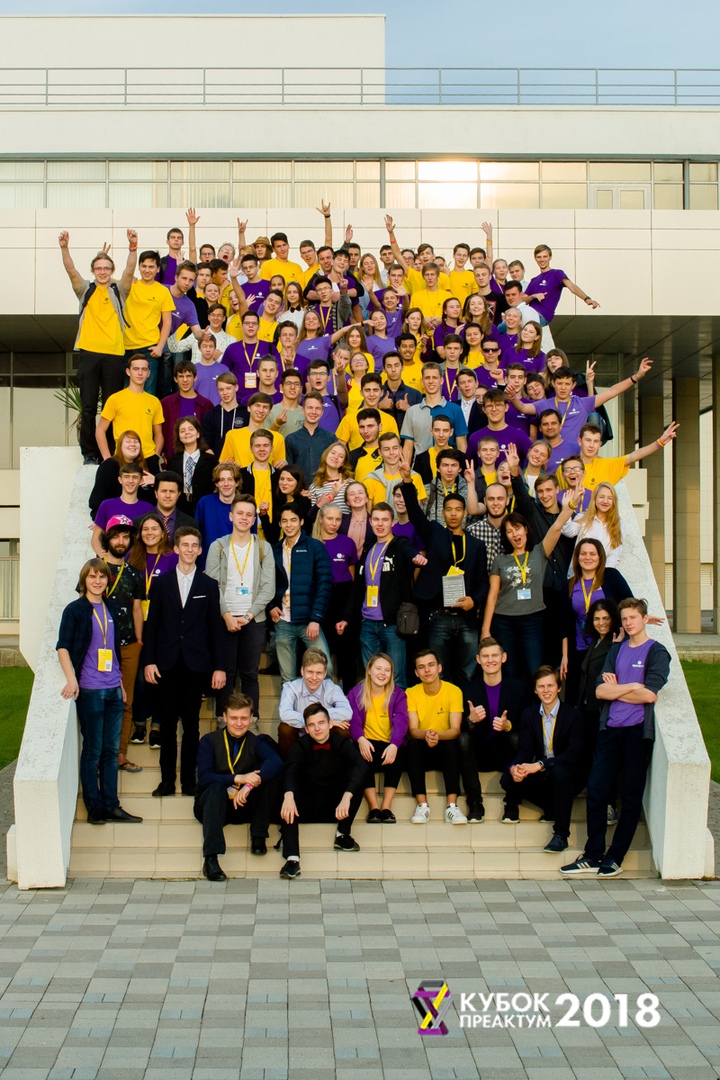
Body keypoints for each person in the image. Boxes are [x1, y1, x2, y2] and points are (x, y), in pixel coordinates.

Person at [561, 598, 671, 878]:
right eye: (624, 619)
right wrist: (631, 685)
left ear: (644, 619)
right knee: (596, 792)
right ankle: (593, 855)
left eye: (633, 617)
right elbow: (600, 691)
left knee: (630, 797)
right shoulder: (616, 649)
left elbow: (649, 695)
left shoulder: (657, 652)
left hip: (637, 732)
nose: (628, 623)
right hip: (609, 729)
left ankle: (615, 858)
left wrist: (618, 689)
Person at [56, 558, 142, 825]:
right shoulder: (75, 610)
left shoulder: (110, 607)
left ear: (107, 581)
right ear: (84, 580)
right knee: (93, 750)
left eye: (102, 577)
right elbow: (63, 647)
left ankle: (111, 805)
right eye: (92, 576)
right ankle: (94, 807)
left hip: (113, 688)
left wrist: (120, 684)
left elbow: (113, 649)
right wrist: (72, 679)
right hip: (90, 689)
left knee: (111, 751)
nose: (97, 581)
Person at [143, 526, 226, 798]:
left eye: (194, 545)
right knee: (167, 725)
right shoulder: (161, 583)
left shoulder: (208, 585)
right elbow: (152, 625)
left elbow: (215, 628)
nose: (189, 549)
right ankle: (167, 781)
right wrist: (149, 661)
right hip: (166, 663)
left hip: (195, 665)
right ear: (176, 548)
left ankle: (190, 781)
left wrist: (219, 666)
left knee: (191, 725)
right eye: (185, 545)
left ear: (200, 550)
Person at [399, 469, 488, 685]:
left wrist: (474, 601)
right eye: (449, 509)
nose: (453, 514)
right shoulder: (435, 533)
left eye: (458, 509)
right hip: (438, 615)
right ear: (443, 512)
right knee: (439, 672)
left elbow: (483, 582)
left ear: (465, 513)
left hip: (466, 617)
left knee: (468, 673)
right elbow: (414, 513)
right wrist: (408, 481)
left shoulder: (476, 545)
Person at [59, 228, 138, 464]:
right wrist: (64, 248)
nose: (102, 272)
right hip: (89, 353)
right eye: (98, 268)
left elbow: (130, 270)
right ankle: (89, 453)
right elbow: (71, 270)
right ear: (93, 271)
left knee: (111, 407)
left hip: (114, 354)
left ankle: (112, 452)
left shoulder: (118, 290)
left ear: (111, 271)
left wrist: (133, 247)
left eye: (106, 268)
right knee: (88, 406)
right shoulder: (86, 289)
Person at [481, 495, 575, 686]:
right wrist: (485, 629)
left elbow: (556, 527)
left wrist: (570, 506)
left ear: (525, 529)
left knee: (534, 669)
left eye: (517, 528)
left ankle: (534, 705)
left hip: (532, 621)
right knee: (510, 671)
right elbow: (492, 596)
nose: (514, 534)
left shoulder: (539, 553)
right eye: (509, 531)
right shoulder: (500, 560)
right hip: (504, 621)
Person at [194, 692, 284, 880]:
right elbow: (204, 778)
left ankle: (258, 836)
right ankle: (211, 859)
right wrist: (238, 778)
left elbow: (276, 762)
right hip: (214, 805)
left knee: (267, 776)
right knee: (215, 788)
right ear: (225, 717)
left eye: (244, 718)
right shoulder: (209, 741)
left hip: (243, 804)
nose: (239, 723)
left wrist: (249, 785)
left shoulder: (256, 741)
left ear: (251, 718)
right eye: (234, 718)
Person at [500, 666, 585, 854]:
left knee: (559, 772)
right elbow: (525, 750)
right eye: (541, 686)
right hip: (545, 774)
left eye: (550, 686)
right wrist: (515, 767)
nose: (546, 691)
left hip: (568, 774)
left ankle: (561, 835)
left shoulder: (573, 716)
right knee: (507, 779)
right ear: (535, 690)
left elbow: (572, 756)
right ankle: (552, 807)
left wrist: (539, 765)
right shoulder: (529, 715)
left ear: (559, 688)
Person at [205, 494, 275, 721]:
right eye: (240, 513)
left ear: (255, 519)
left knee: (250, 674)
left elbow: (268, 587)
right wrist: (226, 614)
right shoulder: (217, 547)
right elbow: (212, 586)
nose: (244, 518)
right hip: (224, 618)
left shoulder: (263, 548)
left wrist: (249, 614)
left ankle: (251, 721)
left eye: (249, 515)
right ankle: (222, 721)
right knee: (224, 673)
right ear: (231, 516)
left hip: (253, 619)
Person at [279, 703, 367, 879]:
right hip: (308, 805)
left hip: (336, 807)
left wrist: (347, 797)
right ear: (306, 728)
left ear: (330, 724)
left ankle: (342, 834)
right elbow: (291, 771)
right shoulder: (300, 745)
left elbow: (361, 766)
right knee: (288, 792)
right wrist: (288, 796)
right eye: (312, 725)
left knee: (357, 776)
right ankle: (292, 859)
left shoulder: (341, 742)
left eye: (321, 723)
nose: (317, 728)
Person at [336, 502, 419, 687]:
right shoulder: (368, 548)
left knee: (396, 678)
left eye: (385, 520)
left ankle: (397, 707)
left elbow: (409, 551)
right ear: (370, 522)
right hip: (367, 624)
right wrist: (346, 618)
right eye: (376, 519)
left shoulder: (400, 544)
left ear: (392, 522)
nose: (380, 524)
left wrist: (415, 556)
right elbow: (358, 588)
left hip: (392, 624)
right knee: (372, 680)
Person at [97, 515, 145, 774]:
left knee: (126, 701)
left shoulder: (135, 574)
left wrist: (138, 640)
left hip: (128, 646)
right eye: (116, 536)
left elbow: (137, 609)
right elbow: (84, 606)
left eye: (125, 537)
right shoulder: (95, 570)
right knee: (101, 702)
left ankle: (120, 754)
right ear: (107, 538)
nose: (121, 541)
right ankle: (99, 756)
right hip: (100, 648)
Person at [459, 638, 525, 822]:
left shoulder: (519, 688)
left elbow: (528, 725)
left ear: (504, 657)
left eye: (494, 655)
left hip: (506, 753)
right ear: (478, 660)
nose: (490, 660)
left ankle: (512, 803)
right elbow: (459, 727)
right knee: (463, 739)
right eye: (485, 656)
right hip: (479, 754)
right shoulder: (467, 689)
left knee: (516, 738)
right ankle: (474, 802)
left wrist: (508, 725)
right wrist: (470, 720)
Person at [126, 512, 178, 747]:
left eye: (154, 529)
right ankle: (139, 722)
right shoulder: (132, 557)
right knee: (139, 678)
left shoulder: (172, 558)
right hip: (136, 623)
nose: (150, 533)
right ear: (140, 533)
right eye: (145, 529)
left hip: (163, 625)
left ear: (163, 532)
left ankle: (157, 724)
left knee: (161, 675)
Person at [268, 503, 334, 682]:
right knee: (287, 677)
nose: (289, 525)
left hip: (308, 621)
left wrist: (316, 619)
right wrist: (271, 606)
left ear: (301, 522)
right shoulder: (274, 550)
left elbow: (324, 584)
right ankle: (290, 702)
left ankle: (324, 701)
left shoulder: (315, 547)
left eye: (293, 520)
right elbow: (266, 582)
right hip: (283, 621)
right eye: (284, 521)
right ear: (280, 524)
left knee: (326, 668)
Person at [406, 649, 466, 824]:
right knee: (412, 744)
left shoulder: (454, 691)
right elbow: (413, 729)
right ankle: (422, 805)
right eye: (421, 667)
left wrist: (438, 735)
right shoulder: (411, 693)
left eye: (431, 665)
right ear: (416, 673)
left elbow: (455, 729)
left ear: (439, 667)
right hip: (422, 746)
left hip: (445, 746)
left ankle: (451, 806)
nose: (427, 670)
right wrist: (427, 734)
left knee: (451, 743)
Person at [348, 653, 408, 823]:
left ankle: (386, 807)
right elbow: (353, 722)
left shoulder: (398, 694)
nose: (382, 673)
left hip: (389, 745)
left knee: (400, 749)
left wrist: (394, 744)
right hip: (367, 743)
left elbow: (401, 722)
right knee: (358, 752)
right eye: (378, 668)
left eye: (387, 670)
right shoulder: (356, 693)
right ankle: (373, 807)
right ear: (369, 670)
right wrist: (360, 739)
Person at [314, 504, 359, 690]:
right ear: (321, 519)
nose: (334, 523)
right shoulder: (313, 543)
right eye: (330, 519)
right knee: (322, 650)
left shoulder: (348, 543)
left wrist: (348, 611)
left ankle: (348, 691)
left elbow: (352, 577)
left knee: (347, 650)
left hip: (343, 597)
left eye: (338, 519)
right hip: (321, 599)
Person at [278, 646, 352, 759]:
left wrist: (323, 722)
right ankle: (290, 764)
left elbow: (347, 712)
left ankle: (336, 764)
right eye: (310, 672)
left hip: (324, 737)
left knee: (343, 729)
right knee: (285, 729)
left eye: (319, 673)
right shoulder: (290, 687)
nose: (314, 677)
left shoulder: (332, 688)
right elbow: (284, 714)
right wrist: (313, 722)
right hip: (300, 737)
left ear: (325, 673)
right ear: (302, 671)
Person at [96, 354, 164, 472]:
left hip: (148, 458)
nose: (140, 373)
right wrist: (107, 459)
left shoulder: (154, 401)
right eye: (136, 369)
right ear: (128, 372)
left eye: (144, 369)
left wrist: (156, 455)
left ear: (148, 373)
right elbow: (100, 430)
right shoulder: (115, 399)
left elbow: (159, 434)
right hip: (123, 458)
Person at [122, 250, 175, 397]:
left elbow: (167, 322)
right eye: (144, 266)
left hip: (149, 348)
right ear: (139, 267)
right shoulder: (130, 285)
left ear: (157, 269)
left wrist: (160, 347)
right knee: (127, 394)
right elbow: (108, 279)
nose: (147, 270)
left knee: (148, 393)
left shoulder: (163, 291)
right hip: (126, 347)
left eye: (151, 267)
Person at [400, 362, 468, 463]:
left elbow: (461, 445)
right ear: (422, 381)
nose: (431, 381)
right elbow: (408, 447)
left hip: (448, 467)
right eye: (427, 378)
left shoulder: (455, 409)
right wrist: (406, 469)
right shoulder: (412, 412)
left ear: (441, 380)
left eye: (435, 378)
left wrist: (461, 467)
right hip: (421, 467)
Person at [521, 243, 600, 327]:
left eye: (545, 256)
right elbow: (522, 301)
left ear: (550, 257)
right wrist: (533, 296)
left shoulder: (557, 274)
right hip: (529, 312)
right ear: (535, 259)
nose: (542, 259)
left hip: (542, 315)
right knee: (513, 317)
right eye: (539, 257)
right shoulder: (534, 280)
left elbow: (572, 287)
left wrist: (587, 299)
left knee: (518, 318)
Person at [88, 429, 155, 518]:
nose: (133, 444)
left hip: (141, 520)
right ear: (120, 446)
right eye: (128, 441)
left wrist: (156, 482)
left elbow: (153, 502)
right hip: (115, 520)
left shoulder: (144, 469)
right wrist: (103, 519)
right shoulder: (109, 466)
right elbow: (98, 499)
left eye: (136, 442)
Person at [91, 462, 153, 553]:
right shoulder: (107, 505)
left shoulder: (148, 508)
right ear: (120, 480)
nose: (130, 481)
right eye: (126, 477)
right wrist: (104, 557)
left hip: (138, 558)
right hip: (112, 557)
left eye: (135, 477)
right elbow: (95, 538)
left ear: (141, 481)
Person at [159, 359, 213, 459]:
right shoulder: (166, 403)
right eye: (181, 376)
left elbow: (209, 435)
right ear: (175, 379)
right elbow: (161, 432)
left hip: (199, 459)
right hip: (172, 458)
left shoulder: (206, 405)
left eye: (188, 376)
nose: (185, 380)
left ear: (195, 378)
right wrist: (163, 453)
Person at [220, 392, 286, 468]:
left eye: (265, 407)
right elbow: (223, 466)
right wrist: (230, 467)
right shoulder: (232, 435)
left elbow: (278, 469)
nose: (261, 410)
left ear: (269, 412)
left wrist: (284, 465)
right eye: (257, 405)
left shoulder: (277, 438)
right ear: (249, 408)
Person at [166, 416, 216, 517]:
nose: (187, 433)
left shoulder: (211, 460)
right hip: (180, 508)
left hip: (204, 507)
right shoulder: (173, 461)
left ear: (198, 434)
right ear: (179, 436)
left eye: (191, 429)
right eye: (182, 431)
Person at [284, 392, 337, 482]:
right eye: (310, 408)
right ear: (303, 410)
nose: (313, 412)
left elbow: (335, 468)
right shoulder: (291, 439)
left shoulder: (330, 438)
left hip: (324, 488)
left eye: (317, 408)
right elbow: (289, 471)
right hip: (299, 488)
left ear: (322, 411)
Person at [364, 433, 426, 507]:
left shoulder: (414, 477)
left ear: (401, 449)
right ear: (380, 452)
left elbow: (417, 510)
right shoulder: (371, 480)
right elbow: (368, 513)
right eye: (386, 449)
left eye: (395, 448)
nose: (392, 453)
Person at [196, 463, 241, 558]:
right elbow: (197, 534)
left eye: (230, 479)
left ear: (237, 482)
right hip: (209, 561)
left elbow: (252, 537)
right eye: (221, 480)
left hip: (238, 561)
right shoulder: (205, 503)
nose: (226, 484)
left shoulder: (245, 505)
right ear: (216, 483)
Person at [153, 470, 199, 540]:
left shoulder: (191, 524)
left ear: (178, 494)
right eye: (164, 491)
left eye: (172, 491)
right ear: (156, 493)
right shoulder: (141, 521)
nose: (168, 495)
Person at [268, 368, 304, 437]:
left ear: (300, 389)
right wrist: (277, 424)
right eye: (288, 383)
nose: (292, 387)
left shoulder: (306, 412)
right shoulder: (270, 411)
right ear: (281, 387)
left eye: (296, 384)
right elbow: (264, 438)